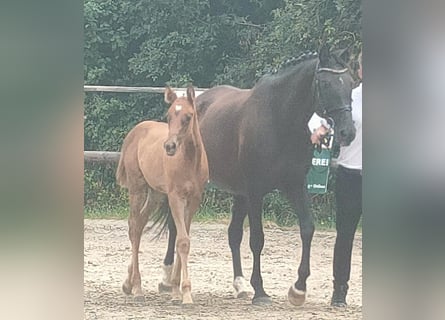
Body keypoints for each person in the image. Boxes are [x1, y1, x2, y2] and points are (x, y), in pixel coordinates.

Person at [331, 50, 362, 307]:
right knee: (345, 235)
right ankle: (339, 289)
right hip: (349, 174)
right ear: (360, 71)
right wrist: (319, 133)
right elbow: (317, 121)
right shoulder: (349, 97)